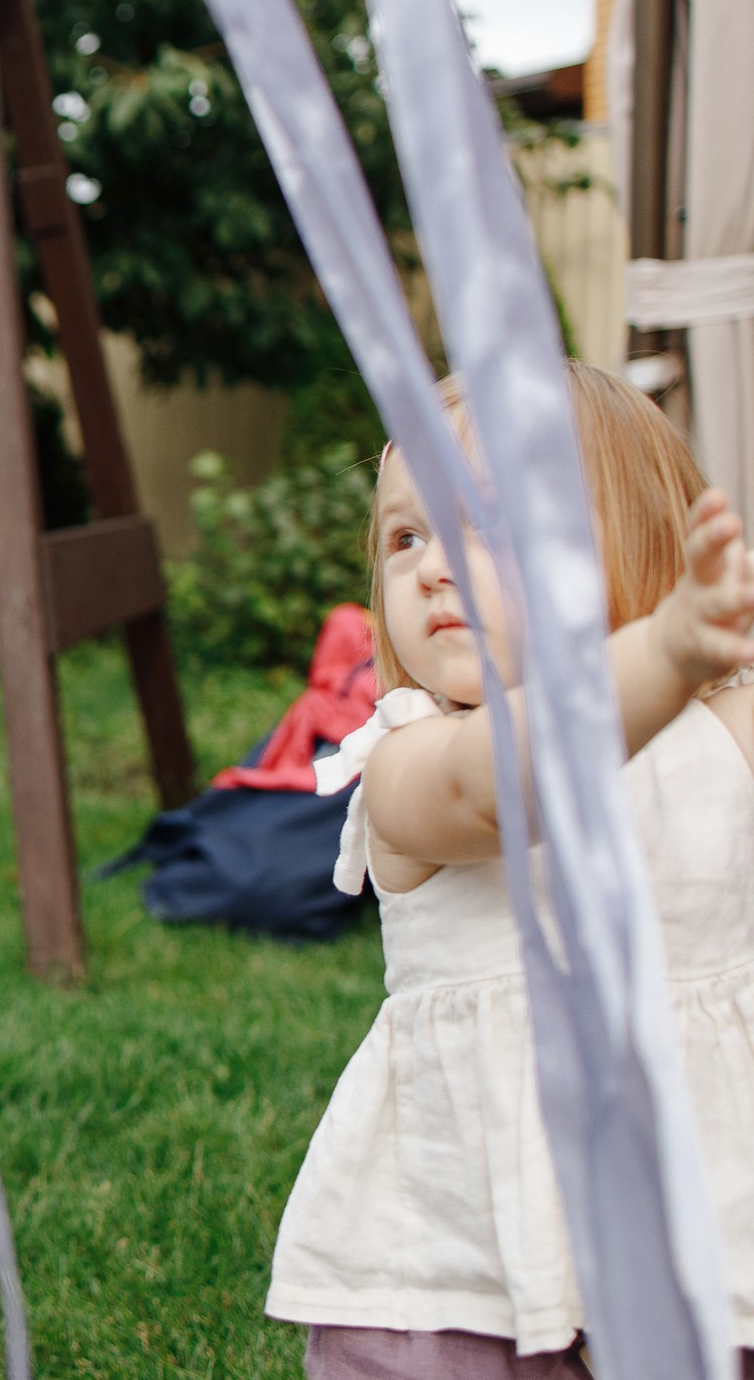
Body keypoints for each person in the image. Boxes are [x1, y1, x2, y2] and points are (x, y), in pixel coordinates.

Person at [269, 363, 754, 1378]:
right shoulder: (411, 754)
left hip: (696, 1231)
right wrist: (664, 651)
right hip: (455, 1283)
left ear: (630, 548)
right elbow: (508, 788)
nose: (433, 568)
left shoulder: (721, 733)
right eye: (405, 536)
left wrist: (697, 650)